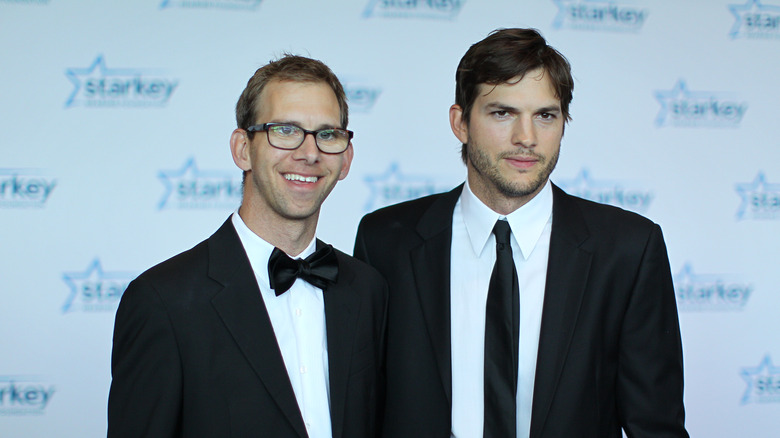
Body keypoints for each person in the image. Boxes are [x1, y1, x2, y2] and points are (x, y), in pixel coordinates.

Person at [354, 28, 688, 438]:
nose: (526, 139)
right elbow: (363, 407)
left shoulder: (629, 249)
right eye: (502, 113)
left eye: (545, 115)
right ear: (460, 122)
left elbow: (655, 426)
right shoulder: (386, 240)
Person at [108, 54, 387, 438]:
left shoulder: (369, 290)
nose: (309, 153)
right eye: (285, 130)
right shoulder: (162, 302)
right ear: (242, 149)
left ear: (346, 158)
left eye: (327, 134)